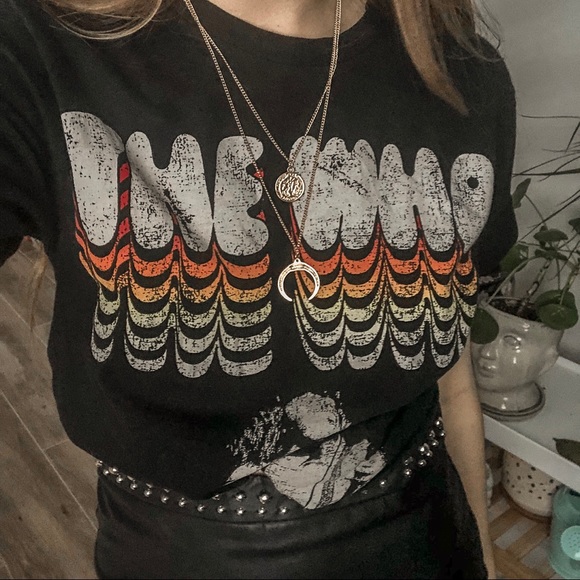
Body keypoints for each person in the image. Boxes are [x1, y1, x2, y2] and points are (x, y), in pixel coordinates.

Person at [0, 0, 518, 577]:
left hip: (431, 544)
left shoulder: (465, 77)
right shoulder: (38, 49)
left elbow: (450, 382)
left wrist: (484, 559)